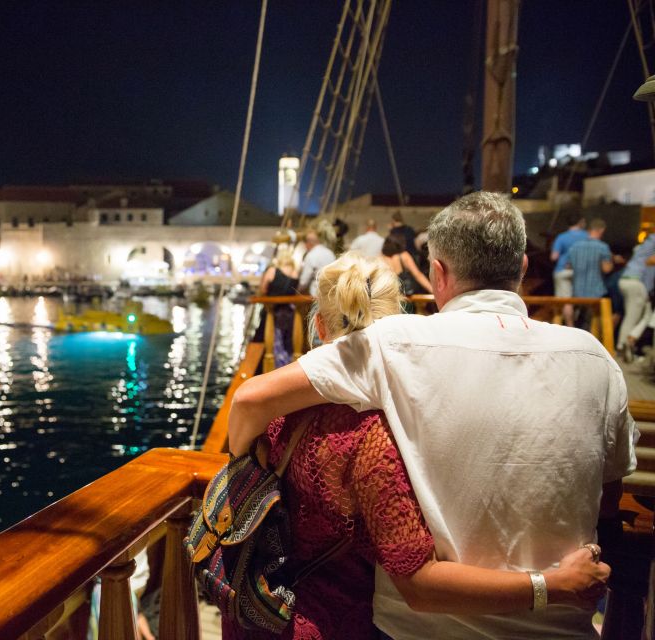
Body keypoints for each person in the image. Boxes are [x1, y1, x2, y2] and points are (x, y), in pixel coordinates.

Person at [228, 192, 637, 639]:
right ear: (521, 268)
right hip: (563, 629)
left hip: (414, 629)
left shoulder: (394, 344)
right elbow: (608, 499)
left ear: (438, 272)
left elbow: (252, 400)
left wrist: (249, 471)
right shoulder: (594, 357)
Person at [566, 218, 613, 330]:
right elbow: (606, 269)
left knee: (580, 322)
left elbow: (568, 266)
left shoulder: (575, 246)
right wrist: (612, 261)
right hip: (596, 292)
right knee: (592, 325)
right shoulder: (603, 247)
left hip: (577, 291)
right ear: (601, 230)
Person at [258, 247, 300, 367]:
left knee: (275, 342)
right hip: (290, 312)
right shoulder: (295, 272)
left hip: (273, 311)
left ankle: (275, 367)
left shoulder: (272, 270)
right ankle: (287, 365)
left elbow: (263, 288)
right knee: (288, 342)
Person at [616, 233, 655, 362]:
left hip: (626, 279)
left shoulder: (648, 242)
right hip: (636, 282)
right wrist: (649, 290)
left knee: (632, 316)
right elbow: (649, 266)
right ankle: (625, 344)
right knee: (645, 316)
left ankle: (624, 344)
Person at [551, 214, 588, 327]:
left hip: (563, 270)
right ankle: (582, 325)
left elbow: (554, 257)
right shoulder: (587, 236)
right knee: (581, 299)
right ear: (580, 222)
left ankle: (570, 326)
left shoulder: (562, 237)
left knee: (566, 302)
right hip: (581, 271)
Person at [380, 232, 432, 296]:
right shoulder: (404, 256)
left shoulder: (381, 257)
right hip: (403, 297)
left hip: (387, 296)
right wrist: (432, 290)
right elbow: (418, 275)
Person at [298, 228, 336, 296]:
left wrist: (297, 290)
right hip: (331, 293)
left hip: (316, 294)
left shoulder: (311, 255)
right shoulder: (330, 253)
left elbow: (304, 282)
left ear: (308, 243)